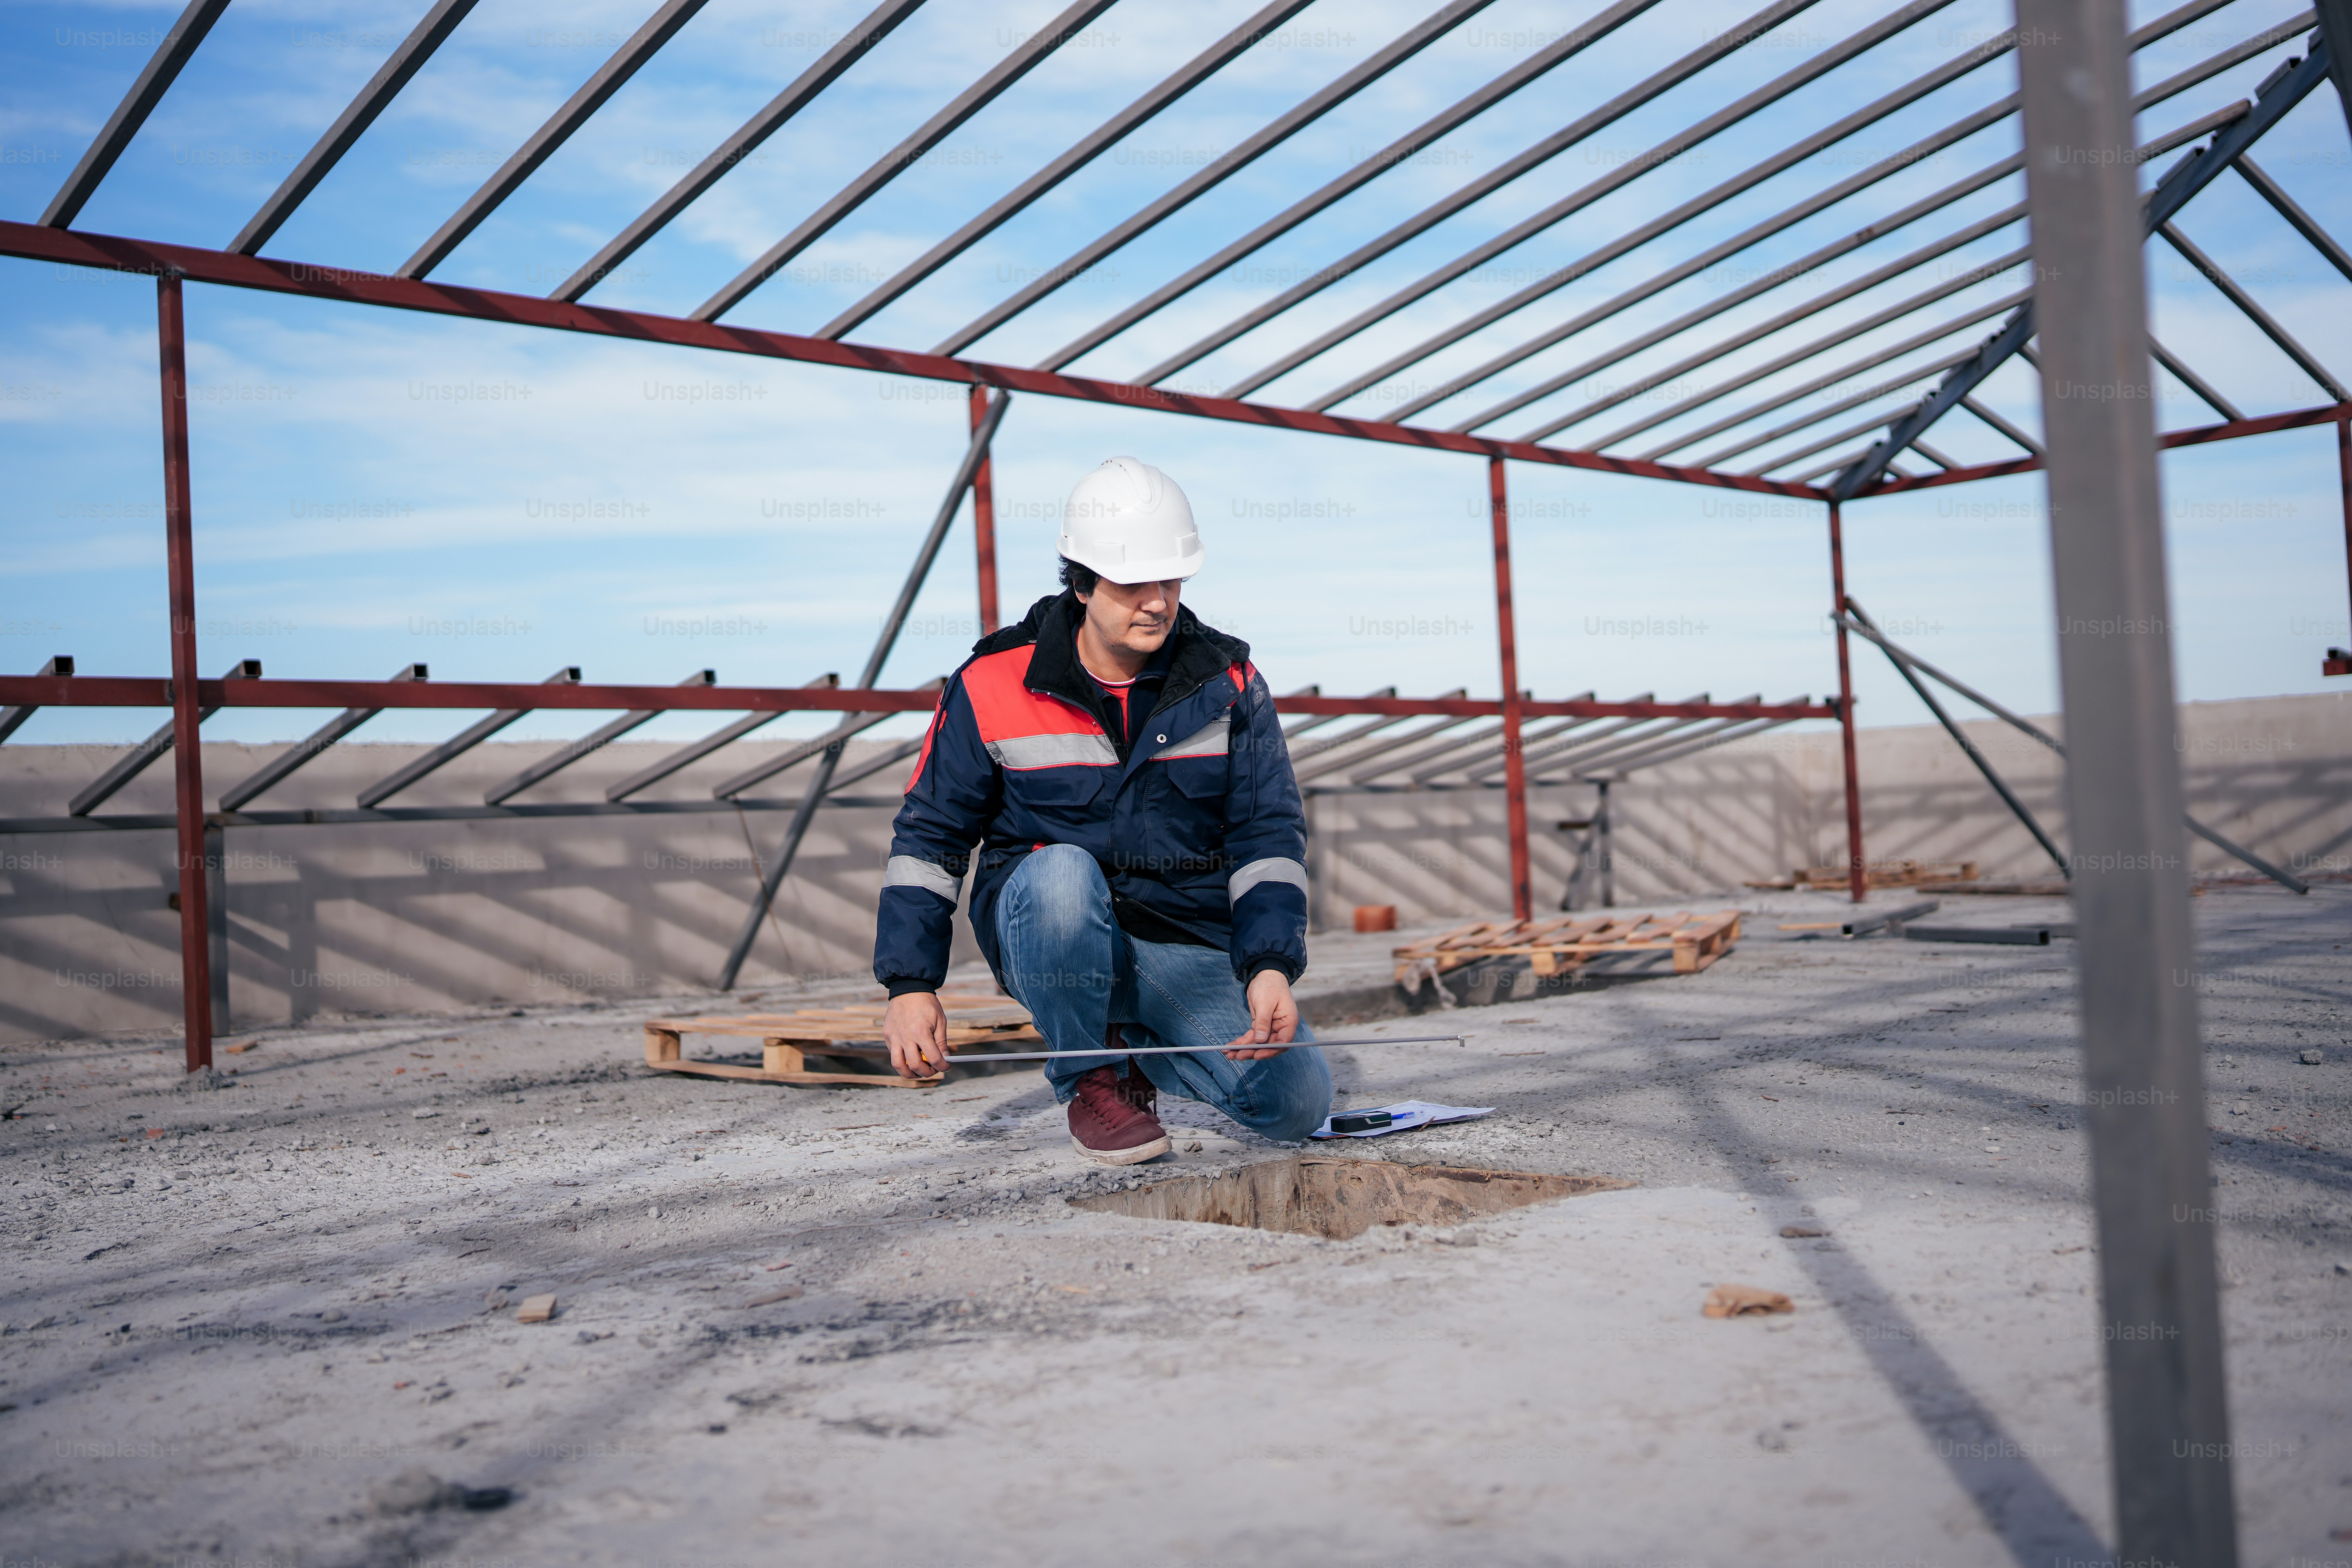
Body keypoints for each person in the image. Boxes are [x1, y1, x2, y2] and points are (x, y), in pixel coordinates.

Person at [875, 456, 1329, 1163]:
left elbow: (1266, 835)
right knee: (1061, 873)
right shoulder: (993, 681)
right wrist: (911, 984)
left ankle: (1136, 1048)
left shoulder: (1228, 683)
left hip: (1175, 939)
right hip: (1048, 927)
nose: (1157, 601)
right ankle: (1089, 1074)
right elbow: (931, 835)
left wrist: (1269, 964)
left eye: (1170, 579)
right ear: (1082, 583)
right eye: (1132, 582)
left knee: (1294, 1103)